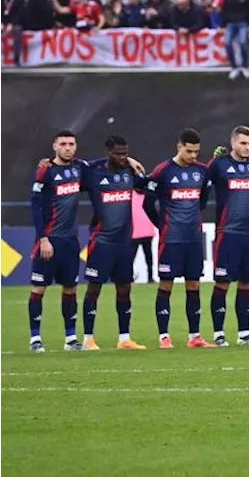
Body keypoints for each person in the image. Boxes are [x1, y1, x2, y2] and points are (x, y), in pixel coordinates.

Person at [80, 135, 155, 351]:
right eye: (118, 153)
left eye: (125, 153)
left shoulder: (129, 172)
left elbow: (147, 184)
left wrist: (133, 165)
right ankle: (88, 339)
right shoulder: (93, 173)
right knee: (94, 289)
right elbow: (78, 165)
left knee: (124, 289)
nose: (123, 157)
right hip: (101, 241)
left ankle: (124, 339)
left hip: (124, 243)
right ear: (108, 151)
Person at [206, 126, 249, 346]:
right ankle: (218, 334)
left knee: (247, 283)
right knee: (223, 282)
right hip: (227, 232)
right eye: (243, 143)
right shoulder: (219, 164)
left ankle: (244, 334)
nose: (247, 147)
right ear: (233, 142)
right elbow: (200, 180)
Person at [146, 129, 214, 349]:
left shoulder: (202, 172)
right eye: (189, 151)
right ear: (179, 147)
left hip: (193, 239)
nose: (193, 156)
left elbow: (203, 200)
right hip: (171, 239)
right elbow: (147, 204)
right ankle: (164, 336)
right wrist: (162, 225)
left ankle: (195, 336)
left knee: (193, 284)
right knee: (166, 284)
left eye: (196, 152)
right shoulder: (162, 171)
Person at [28, 131, 89, 353]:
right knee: (38, 288)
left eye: (71, 144)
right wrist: (43, 238)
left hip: (70, 241)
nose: (68, 148)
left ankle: (71, 339)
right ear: (55, 146)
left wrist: (128, 160)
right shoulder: (45, 171)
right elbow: (35, 206)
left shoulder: (80, 168)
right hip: (49, 240)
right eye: (63, 144)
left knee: (70, 288)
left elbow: (103, 164)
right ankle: (35, 339)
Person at [221, 0, 249, 80]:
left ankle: (244, 66)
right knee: (227, 44)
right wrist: (223, 24)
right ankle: (234, 67)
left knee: (243, 43)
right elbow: (224, 9)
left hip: (243, 22)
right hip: (231, 23)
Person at [132, 190, 156, 283]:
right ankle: (129, 277)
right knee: (131, 258)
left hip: (146, 232)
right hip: (136, 232)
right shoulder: (132, 194)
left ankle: (150, 277)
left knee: (149, 258)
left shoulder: (148, 195)